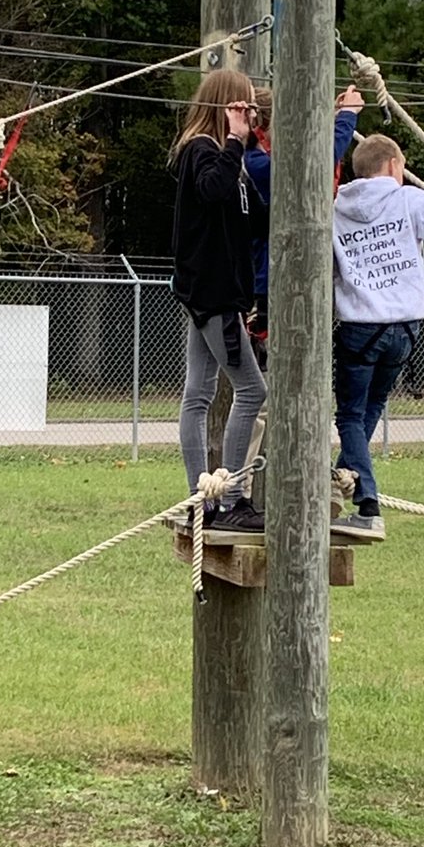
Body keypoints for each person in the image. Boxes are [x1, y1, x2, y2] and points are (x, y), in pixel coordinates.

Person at [329, 134, 424, 541]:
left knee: (350, 413)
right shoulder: (409, 201)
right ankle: (355, 493)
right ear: (395, 166)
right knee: (367, 409)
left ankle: (359, 498)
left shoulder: (334, 207)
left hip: (359, 326)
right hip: (404, 327)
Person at [241, 83, 365, 507]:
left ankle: (317, 485)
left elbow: (310, 161)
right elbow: (308, 169)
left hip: (304, 289)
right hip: (270, 291)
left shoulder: (270, 158)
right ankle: (235, 493)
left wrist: (333, 118)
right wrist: (345, 120)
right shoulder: (255, 162)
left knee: (308, 391)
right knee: (263, 401)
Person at [170, 68, 267, 533]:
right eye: (242, 107)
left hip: (220, 291)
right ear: (225, 108)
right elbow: (211, 191)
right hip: (212, 293)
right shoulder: (201, 151)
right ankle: (229, 499)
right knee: (252, 390)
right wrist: (234, 142)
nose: (250, 115)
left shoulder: (235, 160)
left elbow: (254, 221)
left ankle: (202, 499)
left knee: (200, 393)